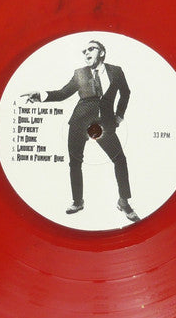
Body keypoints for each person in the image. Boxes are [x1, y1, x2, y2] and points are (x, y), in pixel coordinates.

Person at [22, 40, 139, 222]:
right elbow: (62, 93)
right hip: (79, 122)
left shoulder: (116, 71)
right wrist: (41, 95)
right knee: (75, 163)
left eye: (91, 49)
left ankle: (123, 202)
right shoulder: (80, 73)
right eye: (84, 51)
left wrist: (119, 116)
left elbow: (126, 93)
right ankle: (78, 202)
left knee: (120, 159)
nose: (86, 53)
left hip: (103, 124)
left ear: (102, 52)